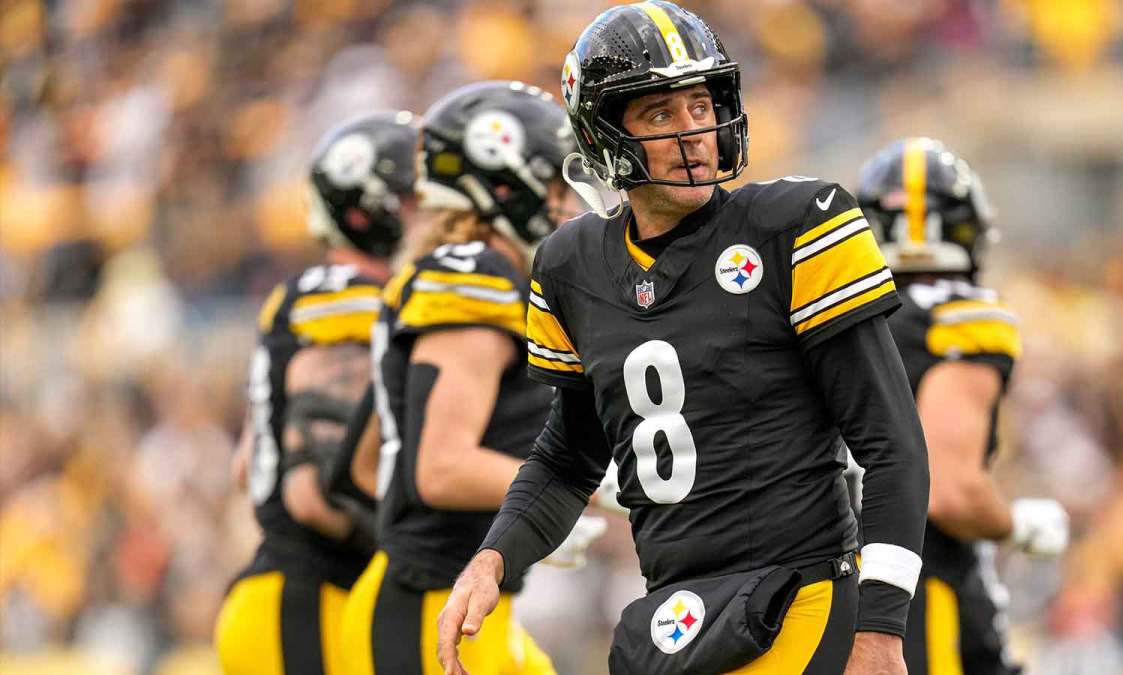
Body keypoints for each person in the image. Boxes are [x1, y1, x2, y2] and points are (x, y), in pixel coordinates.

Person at [438, 3, 930, 674]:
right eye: (661, 114)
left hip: (802, 596)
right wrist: (492, 559)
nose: (693, 131)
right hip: (674, 615)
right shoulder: (569, 265)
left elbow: (891, 441)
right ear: (605, 134)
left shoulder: (794, 225)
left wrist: (880, 629)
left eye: (701, 105)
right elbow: (568, 456)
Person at [338, 80, 601, 675]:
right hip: (433, 603)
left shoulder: (444, 275)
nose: (568, 202)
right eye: (557, 185)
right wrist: (575, 488)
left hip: (441, 600)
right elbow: (441, 467)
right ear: (506, 183)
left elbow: (364, 464)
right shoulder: (474, 277)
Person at [215, 112, 419, 675]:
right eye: (417, 199)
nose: (436, 216)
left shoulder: (298, 299)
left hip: (294, 596)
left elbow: (246, 464)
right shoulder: (353, 301)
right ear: (370, 209)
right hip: (309, 602)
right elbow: (316, 492)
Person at [856, 137, 1069, 675]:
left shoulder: (836, 317)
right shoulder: (964, 317)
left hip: (833, 588)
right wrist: (1012, 525)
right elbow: (947, 491)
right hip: (921, 588)